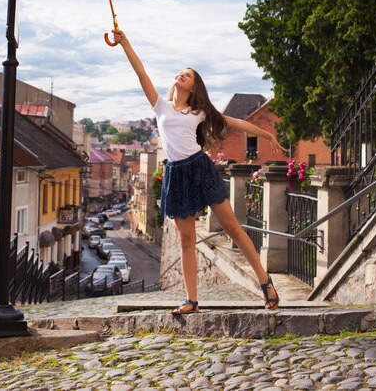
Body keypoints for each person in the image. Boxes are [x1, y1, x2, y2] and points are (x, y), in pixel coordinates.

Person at [113, 29, 284, 314]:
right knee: (186, 239)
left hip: (199, 168)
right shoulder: (161, 106)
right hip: (176, 175)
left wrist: (267, 136)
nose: (181, 74)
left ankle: (265, 282)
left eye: (188, 74)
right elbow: (140, 72)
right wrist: (125, 42)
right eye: (180, 72)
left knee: (232, 227)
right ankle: (191, 300)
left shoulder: (200, 111)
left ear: (194, 87)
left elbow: (237, 123)